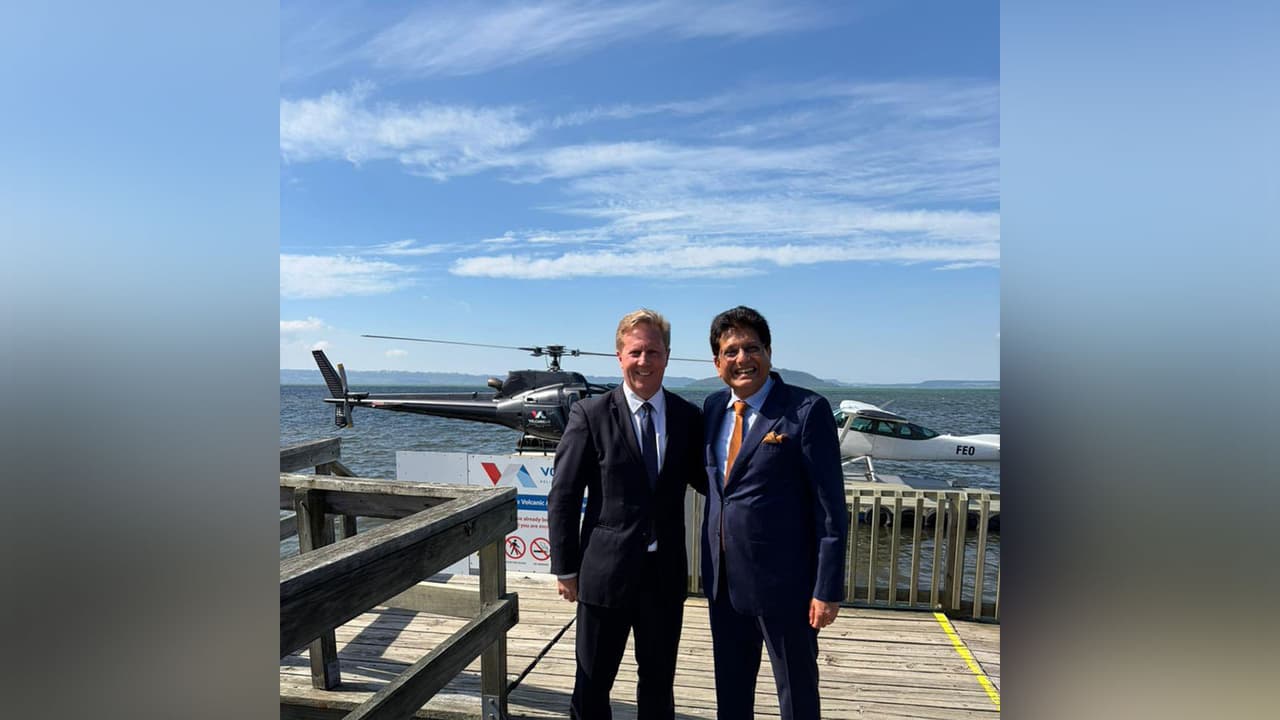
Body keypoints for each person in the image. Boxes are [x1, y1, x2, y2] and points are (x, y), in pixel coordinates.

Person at [548, 308, 707, 720]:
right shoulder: (591, 415)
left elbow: (711, 482)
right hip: (604, 576)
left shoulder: (689, 418)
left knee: (657, 684)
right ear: (619, 356)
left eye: (652, 352)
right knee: (592, 684)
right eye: (635, 352)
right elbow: (563, 496)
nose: (644, 362)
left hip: (664, 577)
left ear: (667, 356)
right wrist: (565, 568)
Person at [700, 305, 848, 720]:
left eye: (752, 347)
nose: (742, 359)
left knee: (797, 692)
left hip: (787, 585)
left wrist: (827, 587)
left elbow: (830, 506)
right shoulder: (712, 410)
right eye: (731, 351)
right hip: (723, 582)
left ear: (769, 352)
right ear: (717, 363)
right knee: (730, 691)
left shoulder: (806, 410)